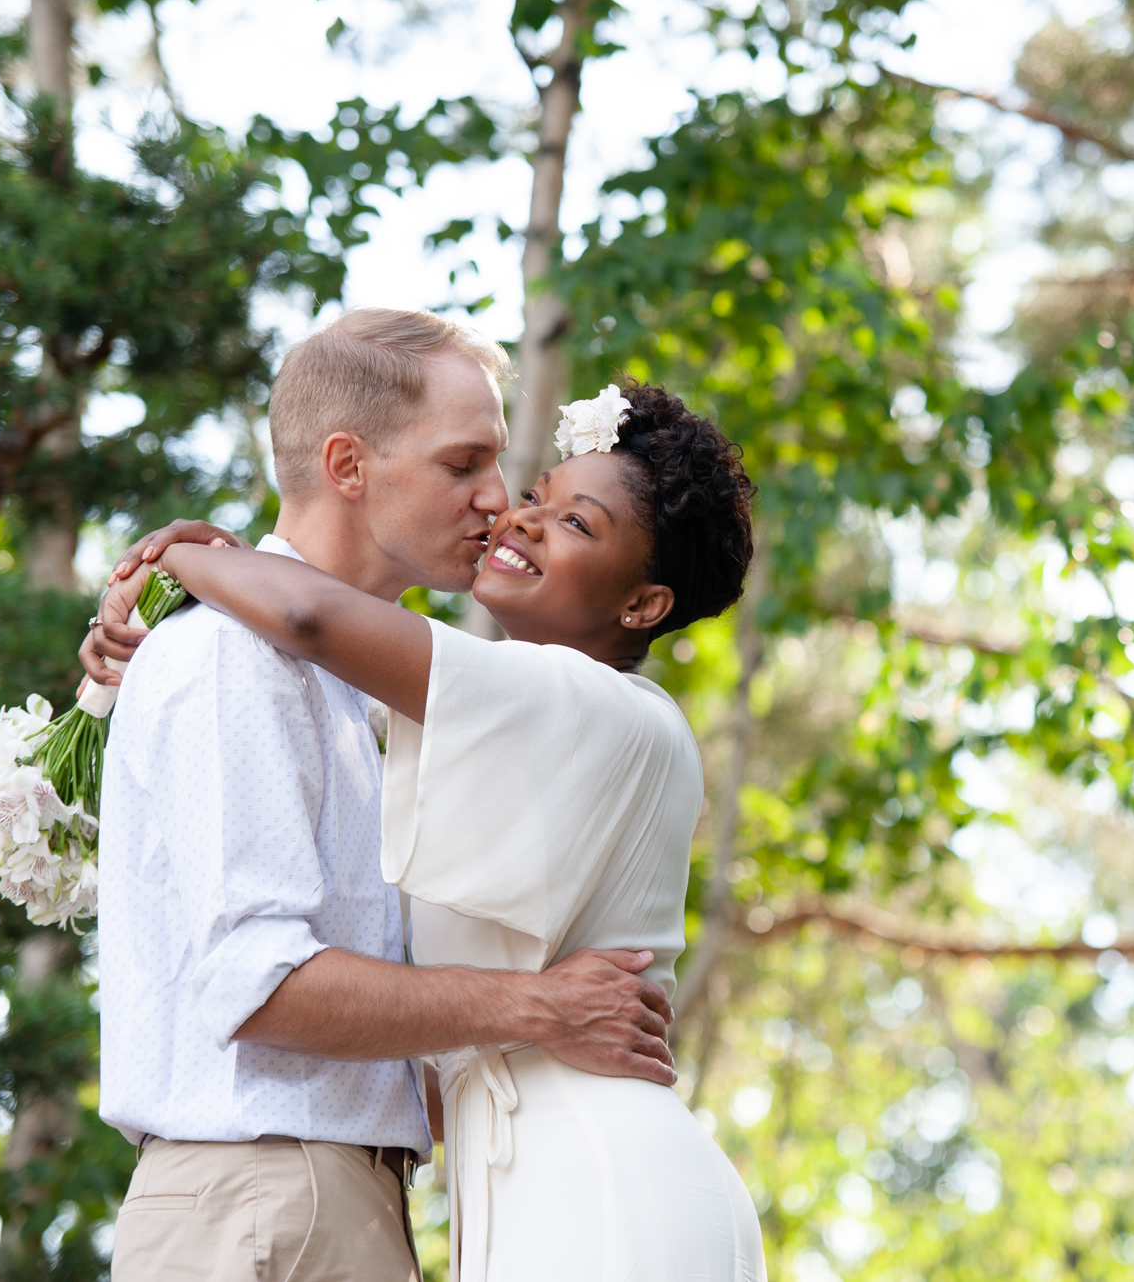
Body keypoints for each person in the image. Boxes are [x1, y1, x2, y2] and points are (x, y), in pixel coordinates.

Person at [97, 381, 768, 1281]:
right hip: (530, 1180)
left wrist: (183, 560)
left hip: (597, 1181)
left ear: (643, 605)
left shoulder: (582, 699)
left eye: (577, 524)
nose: (520, 520)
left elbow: (308, 616)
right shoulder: (511, 736)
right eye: (537, 496)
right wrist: (147, 662)